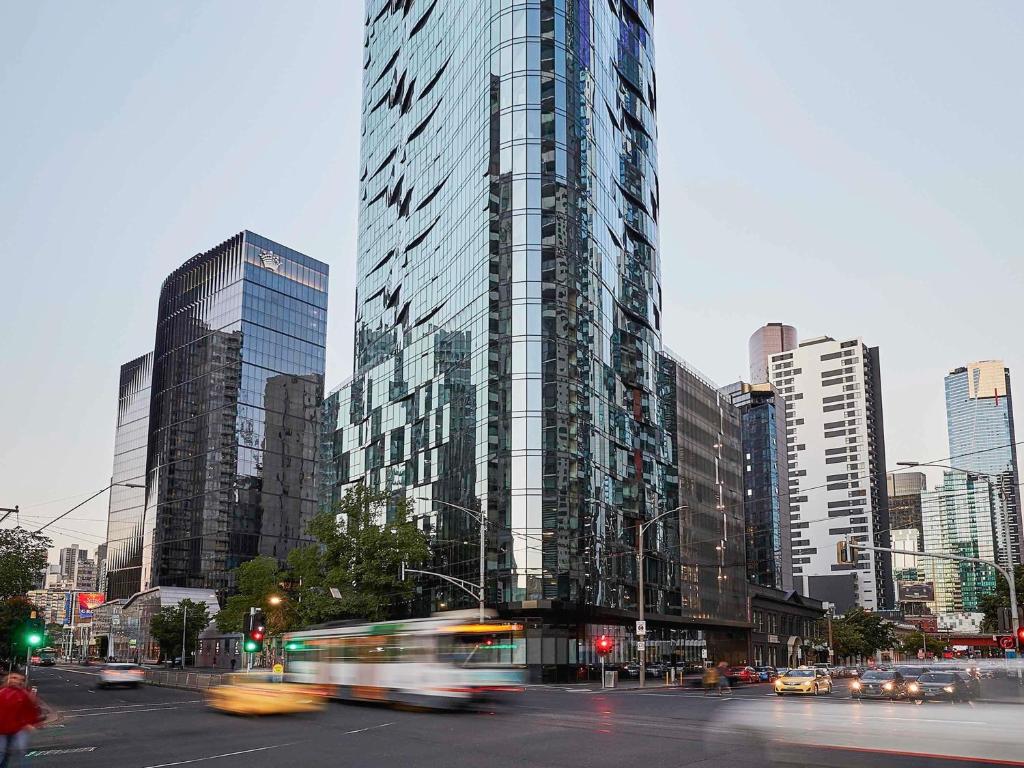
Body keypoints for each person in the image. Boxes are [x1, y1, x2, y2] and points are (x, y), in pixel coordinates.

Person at [0, 672, 45, 767]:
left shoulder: (24, 695)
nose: (16, 680)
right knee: (3, 752)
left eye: (19, 679)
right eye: (13, 678)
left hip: (18, 728)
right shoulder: (2, 693)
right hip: (3, 729)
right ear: (8, 680)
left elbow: (31, 709)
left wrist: (34, 722)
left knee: (20, 752)